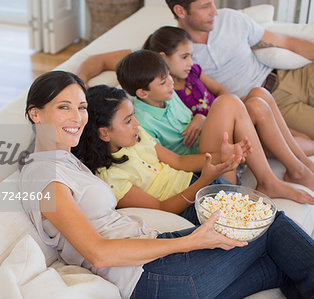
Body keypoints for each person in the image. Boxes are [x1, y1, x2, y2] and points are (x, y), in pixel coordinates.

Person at [20, 70, 314, 299]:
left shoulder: (63, 160)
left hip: (155, 263)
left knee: (279, 267)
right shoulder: (46, 177)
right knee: (269, 221)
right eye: (64, 107)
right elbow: (98, 252)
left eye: (81, 107)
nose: (77, 117)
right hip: (149, 275)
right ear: (35, 113)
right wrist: (191, 242)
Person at [74, 0, 314, 139]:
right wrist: (80, 84)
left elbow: (286, 42)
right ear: (181, 11)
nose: (215, 11)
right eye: (205, 6)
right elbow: (99, 60)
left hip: (290, 75)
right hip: (271, 102)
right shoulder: (164, 51)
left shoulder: (232, 19)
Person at [115, 49, 314, 204]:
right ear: (142, 93)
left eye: (169, 76)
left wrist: (200, 117)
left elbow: (194, 119)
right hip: (201, 164)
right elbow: (174, 162)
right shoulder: (143, 121)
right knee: (226, 102)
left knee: (258, 96)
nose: (171, 83)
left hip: (214, 144)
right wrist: (221, 155)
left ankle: (300, 168)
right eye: (163, 81)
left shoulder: (166, 94)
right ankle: (270, 181)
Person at [72, 85, 251, 224]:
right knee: (262, 223)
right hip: (189, 206)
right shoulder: (111, 178)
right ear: (104, 133)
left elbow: (179, 162)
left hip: (199, 183)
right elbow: (162, 208)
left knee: (267, 217)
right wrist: (204, 180)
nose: (137, 123)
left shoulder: (136, 136)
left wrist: (221, 156)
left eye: (133, 116)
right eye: (128, 121)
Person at [144, 26, 314, 173]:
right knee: (268, 126)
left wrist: (237, 105)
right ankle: (298, 158)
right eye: (184, 57)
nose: (190, 62)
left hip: (227, 114)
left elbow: (219, 90)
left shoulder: (193, 72)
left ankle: (300, 149)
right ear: (163, 58)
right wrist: (202, 118)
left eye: (191, 56)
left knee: (258, 94)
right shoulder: (167, 92)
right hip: (218, 134)